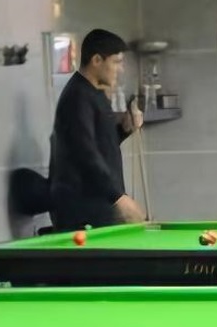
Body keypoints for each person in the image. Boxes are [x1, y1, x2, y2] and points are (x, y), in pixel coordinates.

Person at [49, 29, 144, 231]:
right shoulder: (77, 96)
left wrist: (124, 128)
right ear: (97, 60)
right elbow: (85, 153)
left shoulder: (94, 94)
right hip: (82, 211)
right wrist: (119, 198)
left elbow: (101, 145)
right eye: (116, 62)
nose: (120, 69)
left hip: (99, 207)